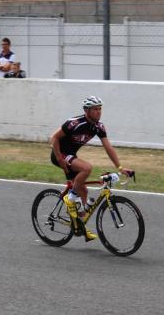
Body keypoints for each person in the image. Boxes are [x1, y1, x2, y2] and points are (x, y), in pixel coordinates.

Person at [49, 96, 134, 242]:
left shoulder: (98, 127)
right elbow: (54, 138)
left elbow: (108, 147)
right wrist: (59, 158)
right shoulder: (74, 123)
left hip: (71, 156)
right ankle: (70, 199)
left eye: (100, 109)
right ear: (87, 110)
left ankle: (79, 226)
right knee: (87, 168)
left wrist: (119, 167)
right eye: (95, 109)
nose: (98, 112)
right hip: (60, 154)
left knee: (84, 192)